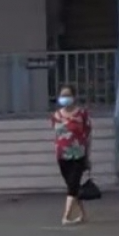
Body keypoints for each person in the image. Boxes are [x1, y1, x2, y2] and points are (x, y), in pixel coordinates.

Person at [52, 85, 92, 226]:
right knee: (72, 186)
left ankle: (66, 217)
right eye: (62, 95)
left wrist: (88, 155)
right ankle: (83, 214)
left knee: (73, 184)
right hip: (62, 155)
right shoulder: (56, 116)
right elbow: (57, 134)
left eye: (68, 95)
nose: (65, 98)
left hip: (78, 154)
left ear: (74, 97)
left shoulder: (82, 114)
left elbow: (87, 135)